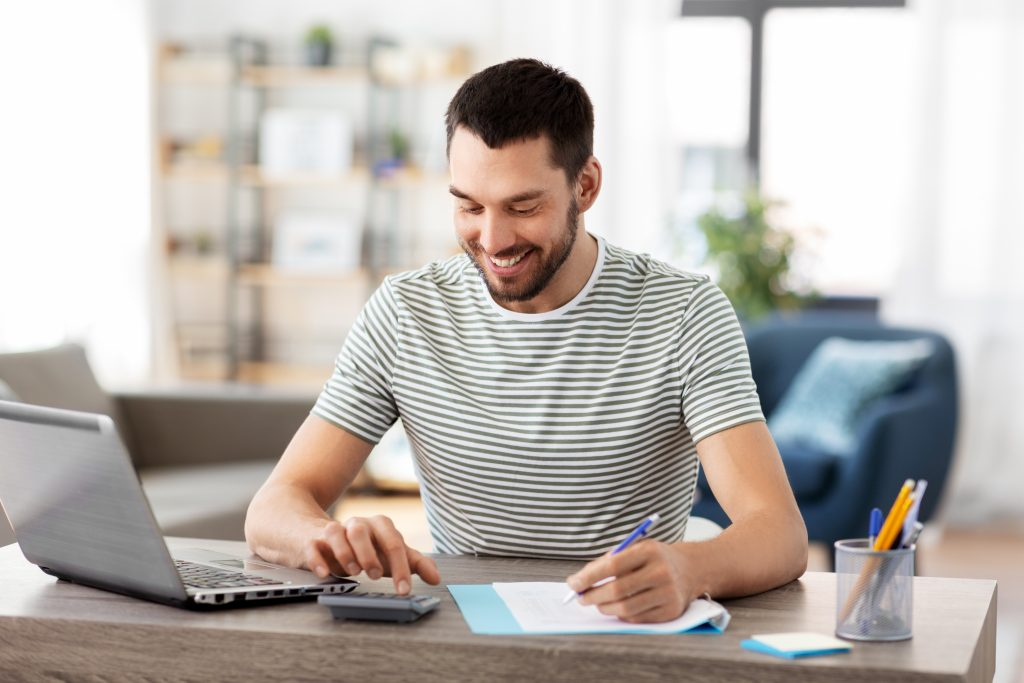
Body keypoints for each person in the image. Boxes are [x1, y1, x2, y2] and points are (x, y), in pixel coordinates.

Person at [245, 58, 807, 623]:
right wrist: (328, 536)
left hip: (624, 632)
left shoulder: (684, 313)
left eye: (522, 206)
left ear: (584, 185)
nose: (492, 239)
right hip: (466, 631)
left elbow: (778, 532)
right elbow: (274, 507)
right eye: (469, 205)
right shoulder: (406, 312)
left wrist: (691, 569)